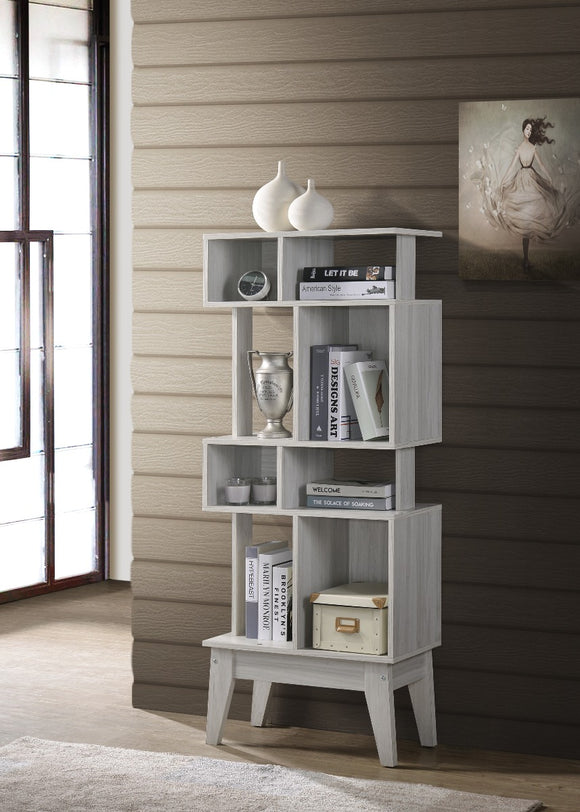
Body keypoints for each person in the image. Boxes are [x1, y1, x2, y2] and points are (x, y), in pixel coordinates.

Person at [495, 117, 568, 271]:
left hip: (532, 179)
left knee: (533, 214)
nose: (528, 131)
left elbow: (540, 165)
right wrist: (502, 182)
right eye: (526, 129)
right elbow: (512, 166)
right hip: (521, 181)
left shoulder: (533, 148)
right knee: (524, 218)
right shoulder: (519, 148)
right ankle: (526, 260)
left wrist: (549, 178)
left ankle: (526, 260)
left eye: (530, 129)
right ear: (522, 130)